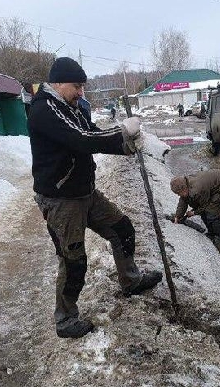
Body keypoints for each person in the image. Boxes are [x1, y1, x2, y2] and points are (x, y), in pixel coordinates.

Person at [28, 57, 162, 339]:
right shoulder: (44, 109)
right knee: (73, 259)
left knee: (122, 229)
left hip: (85, 192)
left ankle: (131, 280)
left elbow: (93, 134)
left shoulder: (73, 107)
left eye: (83, 87)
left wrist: (125, 145)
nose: (81, 92)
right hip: (61, 199)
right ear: (59, 83)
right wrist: (122, 132)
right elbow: (81, 139)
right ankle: (65, 319)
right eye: (76, 86)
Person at [170, 170, 220, 245]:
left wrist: (194, 212)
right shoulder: (186, 184)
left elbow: (204, 206)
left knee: (213, 212)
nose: (178, 195)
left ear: (184, 188)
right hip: (214, 185)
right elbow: (183, 201)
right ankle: (212, 233)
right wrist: (177, 216)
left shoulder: (197, 190)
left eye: (179, 193)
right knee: (206, 213)